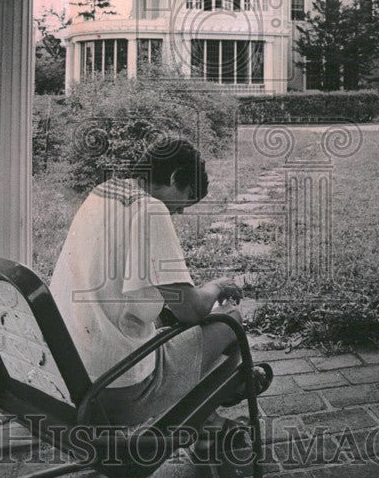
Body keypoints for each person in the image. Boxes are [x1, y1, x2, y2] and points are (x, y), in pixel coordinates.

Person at [50, 134, 266, 429]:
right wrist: (216, 286)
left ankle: (210, 421)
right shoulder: (151, 209)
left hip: (68, 379)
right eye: (183, 201)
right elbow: (189, 310)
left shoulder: (101, 193)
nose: (178, 213)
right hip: (116, 391)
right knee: (231, 320)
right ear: (175, 176)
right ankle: (221, 396)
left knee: (165, 323)